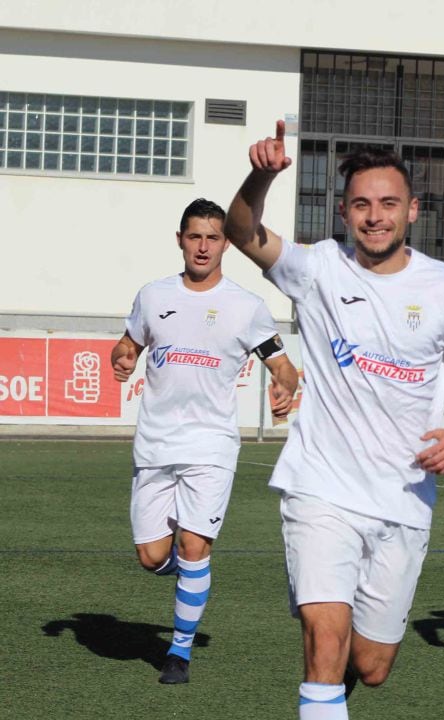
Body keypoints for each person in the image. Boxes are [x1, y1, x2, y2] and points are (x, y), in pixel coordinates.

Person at [224, 121, 444, 719]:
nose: (374, 216)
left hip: (404, 498)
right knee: (324, 640)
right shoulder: (318, 268)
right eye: (361, 204)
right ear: (343, 211)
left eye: (387, 204)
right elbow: (241, 232)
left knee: (371, 666)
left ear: (413, 210)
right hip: (320, 488)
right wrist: (262, 177)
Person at [111, 197, 298, 684]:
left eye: (213, 238)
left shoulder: (245, 307)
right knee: (153, 557)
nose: (203, 246)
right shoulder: (153, 296)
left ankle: (178, 653)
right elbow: (129, 342)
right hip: (155, 444)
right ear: (180, 240)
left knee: (195, 545)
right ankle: (189, 579)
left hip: (212, 445)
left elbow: (283, 366)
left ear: (226, 245)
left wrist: (284, 387)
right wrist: (123, 356)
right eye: (194, 236)